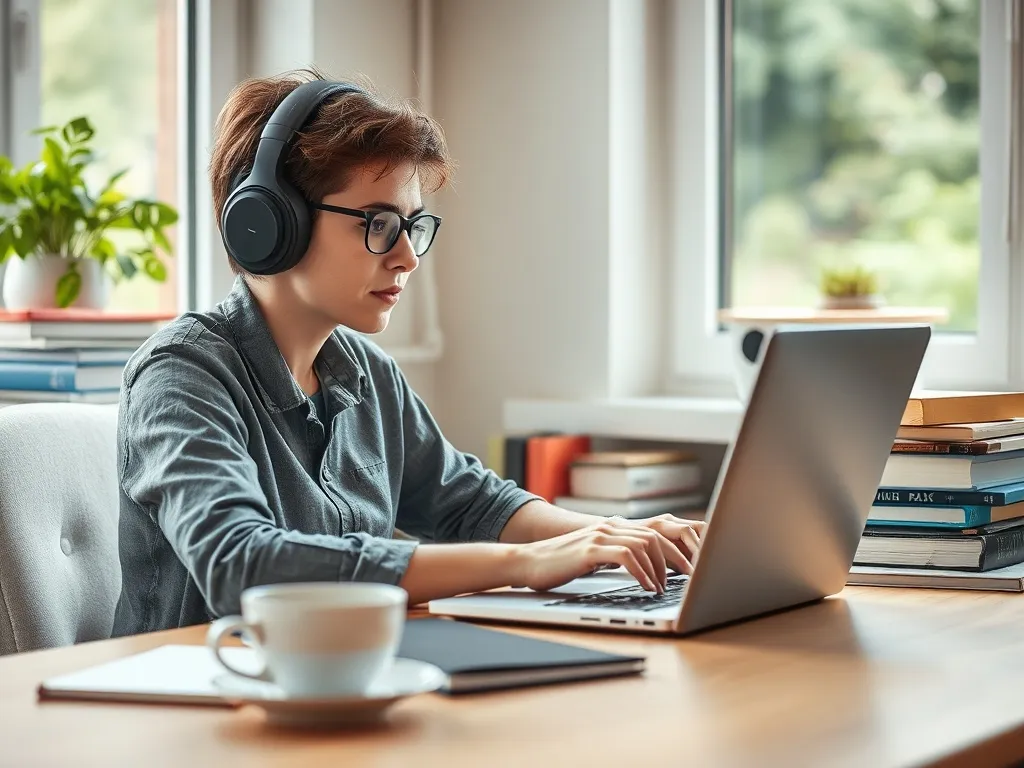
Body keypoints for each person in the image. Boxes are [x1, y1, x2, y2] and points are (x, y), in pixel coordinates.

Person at [111, 69, 704, 637]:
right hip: (202, 705)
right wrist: (525, 564)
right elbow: (242, 565)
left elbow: (474, 505)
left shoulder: (367, 374)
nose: (406, 257)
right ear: (270, 223)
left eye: (412, 226)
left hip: (343, 681)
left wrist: (620, 534)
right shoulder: (181, 376)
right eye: (377, 222)